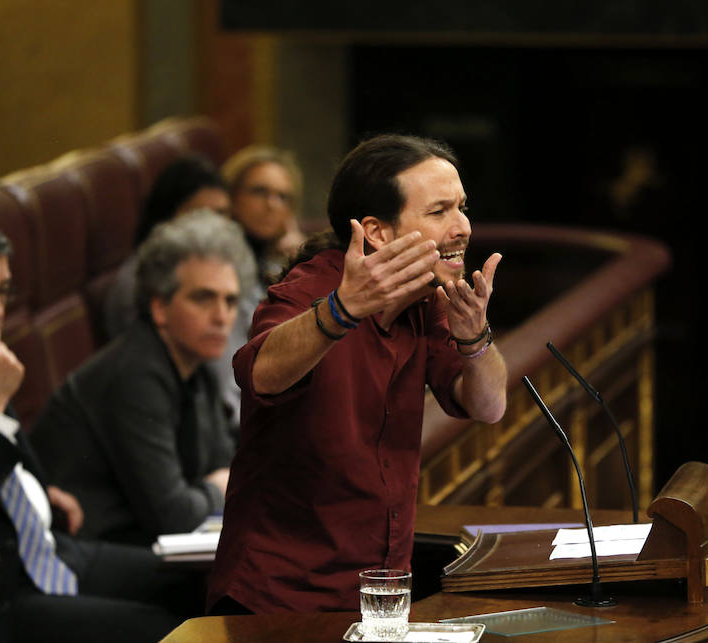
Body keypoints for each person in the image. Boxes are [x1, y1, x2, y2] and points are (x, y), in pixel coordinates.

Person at [206, 134, 508, 614]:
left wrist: (475, 338)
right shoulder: (313, 288)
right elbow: (260, 372)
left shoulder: (426, 300)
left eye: (462, 208)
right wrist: (343, 310)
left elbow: (490, 407)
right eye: (439, 212)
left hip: (379, 592)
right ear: (377, 232)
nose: (463, 228)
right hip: (279, 600)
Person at [0, 215, 197, 643]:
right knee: (173, 632)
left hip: (51, 547)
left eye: (2, 290)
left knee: (216, 580)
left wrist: (36, 491)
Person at [31, 210, 249, 546]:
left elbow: (223, 463)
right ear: (160, 307)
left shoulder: (197, 363)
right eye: (203, 298)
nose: (222, 317)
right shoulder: (134, 374)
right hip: (87, 550)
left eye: (230, 301)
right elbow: (173, 515)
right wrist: (216, 488)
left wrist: (217, 485)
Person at [103, 155, 262, 423]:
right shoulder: (140, 282)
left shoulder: (224, 270)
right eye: (201, 214)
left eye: (223, 214)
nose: (216, 225)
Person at [222, 145, 307, 284]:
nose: (272, 205)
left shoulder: (290, 259)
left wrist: (299, 264)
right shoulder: (212, 256)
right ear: (231, 195)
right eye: (259, 191)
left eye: (283, 197)